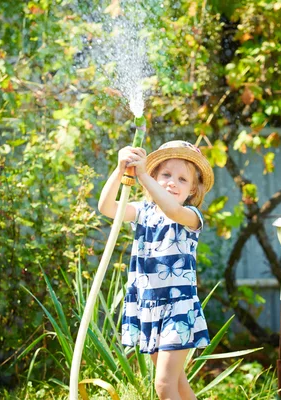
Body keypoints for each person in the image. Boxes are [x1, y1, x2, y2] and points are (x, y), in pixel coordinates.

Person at [98, 140, 214, 400]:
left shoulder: (190, 216)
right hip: (149, 306)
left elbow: (171, 210)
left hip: (178, 309)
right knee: (179, 387)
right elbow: (106, 208)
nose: (172, 182)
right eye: (165, 175)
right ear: (155, 176)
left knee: (163, 386)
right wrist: (120, 171)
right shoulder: (143, 212)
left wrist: (143, 178)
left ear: (192, 189)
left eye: (182, 179)